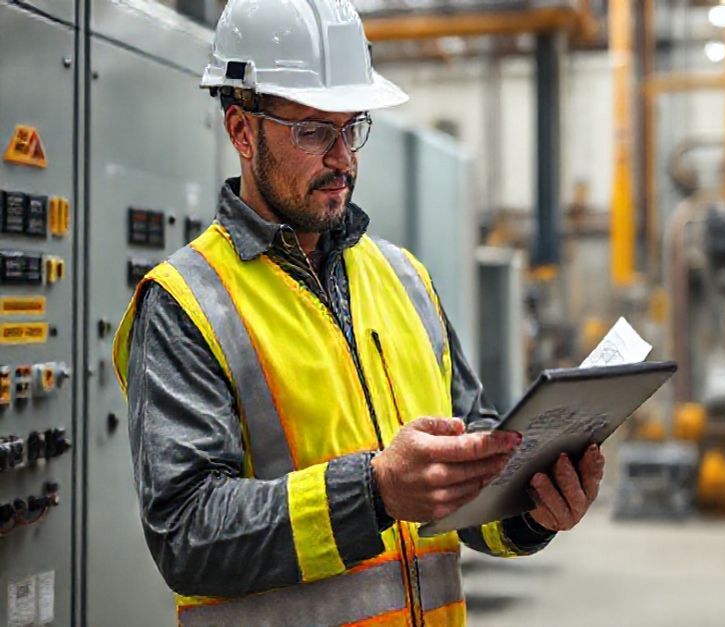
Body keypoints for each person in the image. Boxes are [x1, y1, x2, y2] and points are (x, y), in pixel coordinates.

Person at [112, 0, 605, 624]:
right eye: (314, 131)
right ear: (242, 131)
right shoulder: (185, 302)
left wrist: (534, 507)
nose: (343, 158)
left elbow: (467, 472)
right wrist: (372, 492)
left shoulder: (404, 277)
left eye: (352, 128)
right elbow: (186, 534)